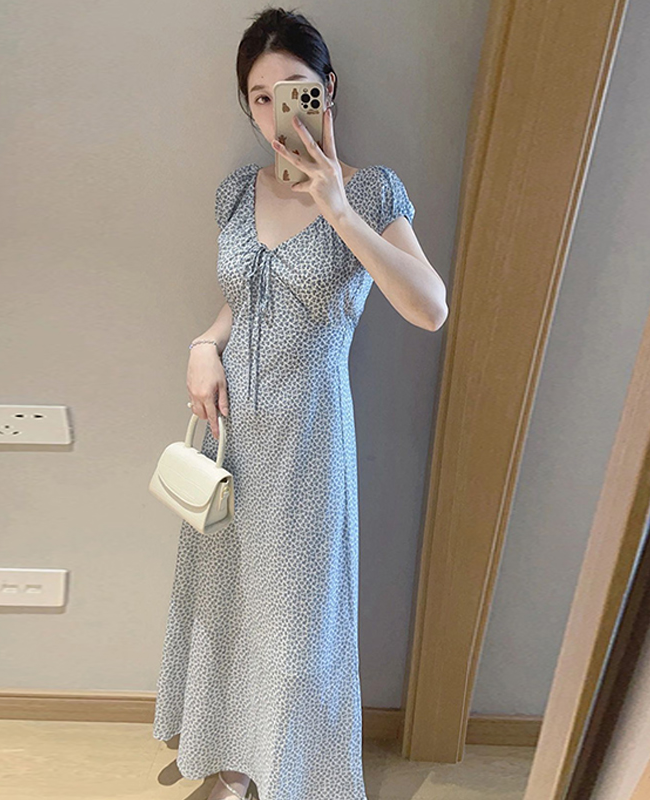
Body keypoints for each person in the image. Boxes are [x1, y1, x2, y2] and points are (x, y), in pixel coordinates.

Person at [152, 6, 448, 800]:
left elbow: (429, 308)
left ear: (327, 90)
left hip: (310, 441)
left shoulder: (372, 190)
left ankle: (285, 773)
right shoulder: (234, 194)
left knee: (294, 624)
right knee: (227, 606)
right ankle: (231, 762)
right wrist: (204, 343)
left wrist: (338, 209)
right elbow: (246, 296)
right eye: (259, 96)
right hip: (230, 438)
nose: (276, 110)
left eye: (294, 89)